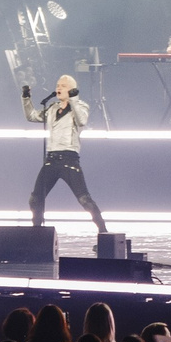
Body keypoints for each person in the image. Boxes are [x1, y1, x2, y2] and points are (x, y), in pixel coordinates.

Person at [23, 74, 108, 234]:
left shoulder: (81, 106)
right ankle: (36, 234)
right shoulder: (52, 108)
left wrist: (73, 99)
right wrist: (26, 98)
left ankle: (103, 232)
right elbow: (32, 116)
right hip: (51, 160)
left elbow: (82, 120)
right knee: (35, 199)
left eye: (63, 86)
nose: (58, 88)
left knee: (84, 199)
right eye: (57, 85)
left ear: (72, 89)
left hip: (69, 160)